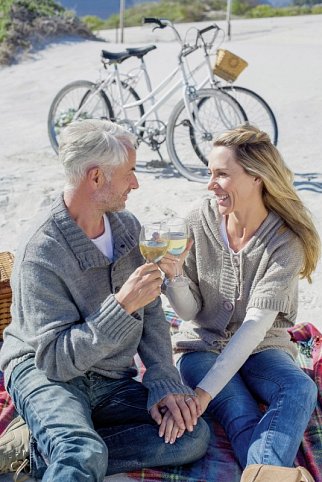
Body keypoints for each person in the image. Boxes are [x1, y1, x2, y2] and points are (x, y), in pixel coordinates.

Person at [0, 119, 209, 481]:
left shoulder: (128, 228)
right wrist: (121, 306)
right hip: (45, 372)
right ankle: (71, 448)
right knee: (83, 452)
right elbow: (55, 361)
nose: (136, 183)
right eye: (129, 172)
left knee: (191, 436)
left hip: (111, 376)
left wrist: (163, 379)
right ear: (96, 177)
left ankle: (42, 451)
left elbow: (152, 312)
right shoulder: (42, 251)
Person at [160, 124, 320, 471]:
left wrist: (202, 395)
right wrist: (173, 277)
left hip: (263, 345)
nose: (210, 184)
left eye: (221, 174)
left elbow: (254, 327)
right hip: (201, 347)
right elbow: (190, 312)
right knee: (240, 411)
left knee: (300, 389)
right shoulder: (197, 220)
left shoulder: (284, 242)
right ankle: (273, 476)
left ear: (256, 178)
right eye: (209, 173)